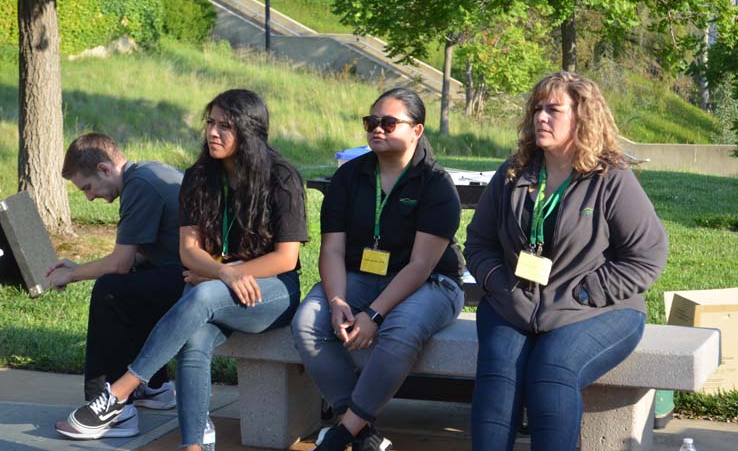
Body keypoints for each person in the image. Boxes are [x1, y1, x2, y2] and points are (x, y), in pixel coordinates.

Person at [57, 89, 308, 450]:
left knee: (202, 293)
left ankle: (119, 392)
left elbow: (285, 258)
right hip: (216, 285)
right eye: (210, 122)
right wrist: (222, 273)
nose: (213, 132)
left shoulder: (281, 177)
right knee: (195, 339)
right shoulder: (199, 177)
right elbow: (188, 251)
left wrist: (225, 274)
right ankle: (193, 446)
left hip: (271, 289)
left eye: (225, 125)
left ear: (249, 130)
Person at [464, 71, 668, 451]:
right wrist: (496, 281)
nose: (541, 117)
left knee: (551, 371)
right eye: (537, 109)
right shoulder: (514, 172)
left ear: (582, 118)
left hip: (594, 310)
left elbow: (648, 255)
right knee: (498, 374)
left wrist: (589, 292)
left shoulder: (611, 179)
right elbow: (478, 242)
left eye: (554, 110)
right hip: (512, 302)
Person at [292, 87, 465, 451]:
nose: (377, 130)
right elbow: (333, 249)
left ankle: (339, 436)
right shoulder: (349, 177)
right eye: (372, 122)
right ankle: (359, 427)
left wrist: (373, 314)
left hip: (431, 283)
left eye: (389, 123)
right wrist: (338, 300)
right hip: (360, 277)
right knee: (308, 321)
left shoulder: (435, 184)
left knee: (400, 330)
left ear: (417, 130)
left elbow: (420, 264)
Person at [46, 133, 184, 418]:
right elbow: (140, 256)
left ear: (104, 169)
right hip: (189, 274)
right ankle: (154, 386)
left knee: (109, 290)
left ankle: (109, 405)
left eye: (87, 187)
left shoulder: (139, 186)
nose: (89, 196)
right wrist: (76, 267)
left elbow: (119, 263)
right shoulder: (148, 172)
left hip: (199, 282)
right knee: (134, 280)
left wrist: (71, 277)